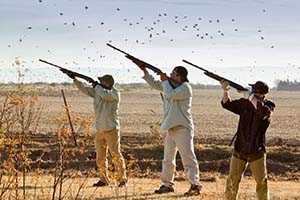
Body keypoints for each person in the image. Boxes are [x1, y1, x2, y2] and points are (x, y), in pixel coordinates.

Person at [129, 58, 202, 196]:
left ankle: (195, 185)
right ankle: (167, 184)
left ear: (180, 77)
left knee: (188, 158)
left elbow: (169, 93)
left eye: (174, 74)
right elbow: (155, 84)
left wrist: (164, 80)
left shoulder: (185, 88)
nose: (171, 75)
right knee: (168, 159)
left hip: (182, 127)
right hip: (171, 127)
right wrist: (144, 70)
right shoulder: (170, 85)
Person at [63, 71, 127, 187]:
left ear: (107, 84)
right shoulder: (98, 91)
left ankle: (122, 179)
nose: (99, 83)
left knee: (116, 155)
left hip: (111, 129)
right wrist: (75, 79)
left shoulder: (115, 94)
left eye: (102, 81)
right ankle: (103, 179)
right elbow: (85, 90)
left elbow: (104, 95)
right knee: (100, 157)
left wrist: (96, 86)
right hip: (99, 129)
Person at [220, 80, 275, 200]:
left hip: (257, 151)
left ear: (262, 94)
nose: (253, 93)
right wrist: (225, 90)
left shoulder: (269, 105)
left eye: (255, 92)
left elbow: (262, 112)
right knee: (232, 181)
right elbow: (226, 104)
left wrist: (250, 97)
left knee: (261, 182)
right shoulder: (245, 103)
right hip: (240, 149)